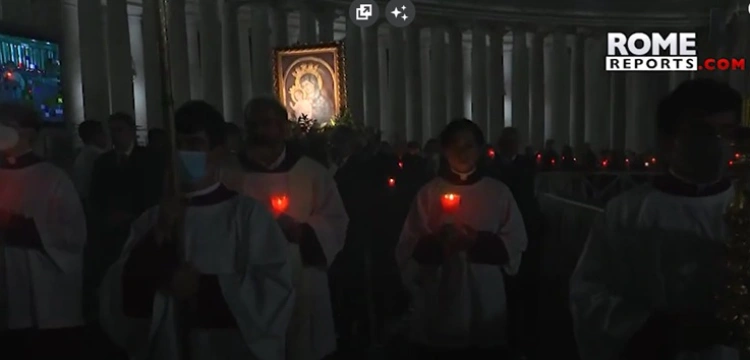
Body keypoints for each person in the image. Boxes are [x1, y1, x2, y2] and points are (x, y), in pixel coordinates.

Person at [98, 100, 294, 360]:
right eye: (177, 145)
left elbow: (273, 290)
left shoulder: (247, 216)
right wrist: (158, 237)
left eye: (194, 145)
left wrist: (205, 289)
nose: (182, 154)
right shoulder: (153, 219)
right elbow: (118, 293)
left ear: (219, 152)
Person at [570, 78, 742, 360]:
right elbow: (588, 295)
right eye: (703, 132)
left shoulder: (743, 208)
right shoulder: (625, 214)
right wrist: (657, 328)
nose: (718, 145)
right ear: (668, 140)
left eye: (727, 132)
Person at [222, 97, 348, 360]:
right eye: (253, 125)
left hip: (300, 272)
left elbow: (335, 219)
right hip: (249, 279)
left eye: (268, 124)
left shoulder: (312, 172)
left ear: (283, 127)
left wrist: (305, 232)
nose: (260, 132)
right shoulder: (228, 174)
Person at [396, 119, 528, 359]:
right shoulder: (428, 193)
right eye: (455, 145)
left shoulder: (498, 192)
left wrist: (476, 242)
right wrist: (439, 243)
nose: (462, 152)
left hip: (485, 296)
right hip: (441, 295)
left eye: (469, 145)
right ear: (444, 150)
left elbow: (516, 241)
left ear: (479, 149)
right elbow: (408, 246)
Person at [0, 102, 87, 358]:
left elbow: (74, 236)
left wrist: (21, 227)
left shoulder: (54, 177)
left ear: (28, 133)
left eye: (8, 126)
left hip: (48, 295)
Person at [72, 119, 107, 201]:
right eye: (103, 133)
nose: (106, 136)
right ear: (96, 136)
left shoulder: (82, 154)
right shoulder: (99, 156)